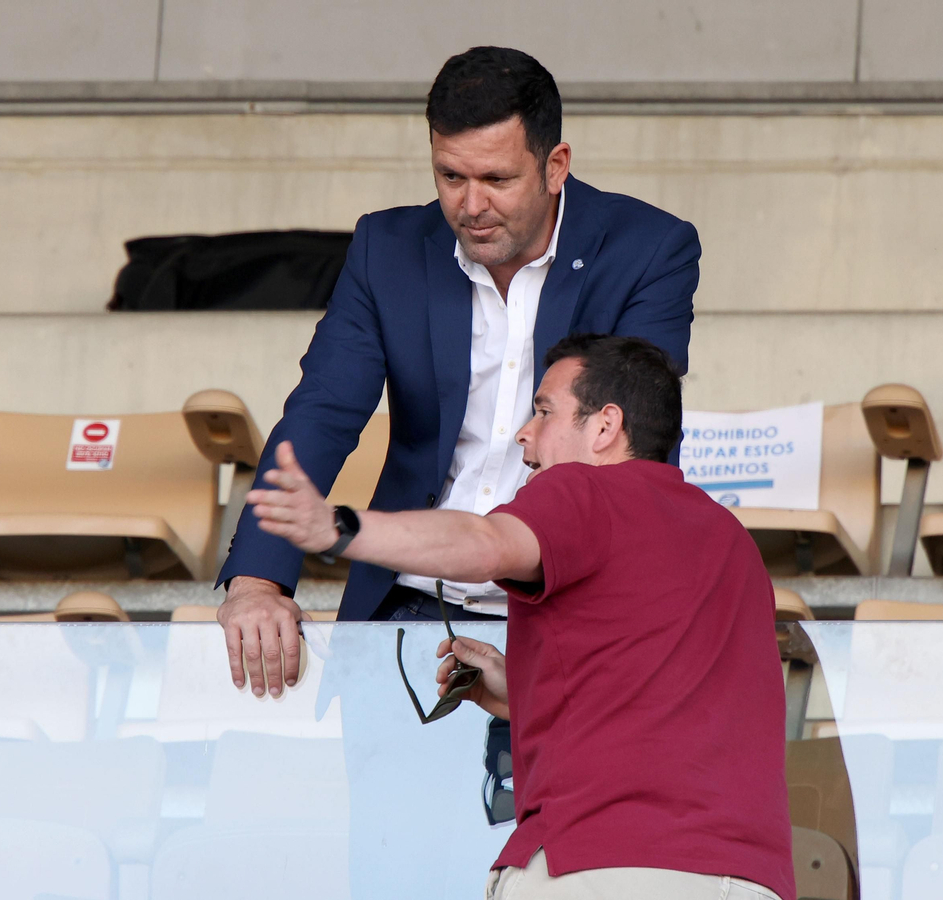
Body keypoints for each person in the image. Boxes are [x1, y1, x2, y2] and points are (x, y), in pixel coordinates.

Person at [216, 45, 701, 698]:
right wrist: (258, 581)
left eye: (497, 180)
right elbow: (323, 412)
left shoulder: (648, 248)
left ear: (555, 166)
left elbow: (629, 443)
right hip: (408, 608)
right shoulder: (386, 249)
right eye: (450, 177)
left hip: (568, 611)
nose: (470, 205)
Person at [249, 334, 796, 900]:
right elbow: (660, 698)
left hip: (602, 867)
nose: (523, 435)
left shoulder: (582, 488)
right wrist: (527, 693)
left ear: (605, 426)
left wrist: (337, 528)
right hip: (748, 877)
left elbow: (487, 541)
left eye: (543, 412)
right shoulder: (732, 540)